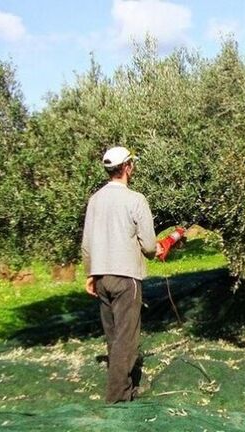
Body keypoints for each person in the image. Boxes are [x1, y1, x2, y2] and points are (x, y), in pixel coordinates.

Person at [81, 146, 160, 403]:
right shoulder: (136, 199)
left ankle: (124, 389)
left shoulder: (94, 200)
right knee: (126, 340)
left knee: (113, 337)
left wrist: (90, 274)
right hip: (127, 278)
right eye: (132, 164)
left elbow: (86, 243)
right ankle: (117, 400)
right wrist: (156, 249)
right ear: (127, 167)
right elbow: (148, 246)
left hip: (101, 277)